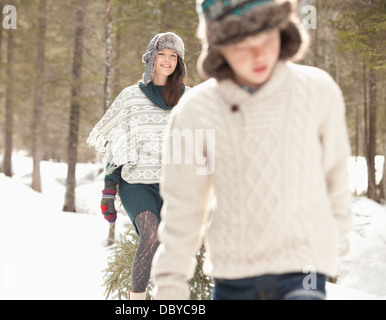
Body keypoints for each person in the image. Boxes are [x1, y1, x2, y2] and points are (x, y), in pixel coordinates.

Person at [151, 0, 353, 300]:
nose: (260, 55)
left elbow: (336, 173)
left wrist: (335, 244)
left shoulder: (318, 91)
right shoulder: (193, 112)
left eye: (268, 39)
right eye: (244, 46)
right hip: (235, 275)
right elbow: (184, 204)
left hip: (305, 267)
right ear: (220, 47)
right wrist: (170, 283)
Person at [87, 32, 189, 300]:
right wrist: (109, 191)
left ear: (179, 62)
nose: (167, 60)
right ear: (151, 58)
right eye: (162, 54)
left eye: (173, 56)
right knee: (152, 233)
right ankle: (136, 301)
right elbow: (116, 145)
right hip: (135, 183)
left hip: (173, 185)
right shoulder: (131, 97)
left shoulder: (189, 99)